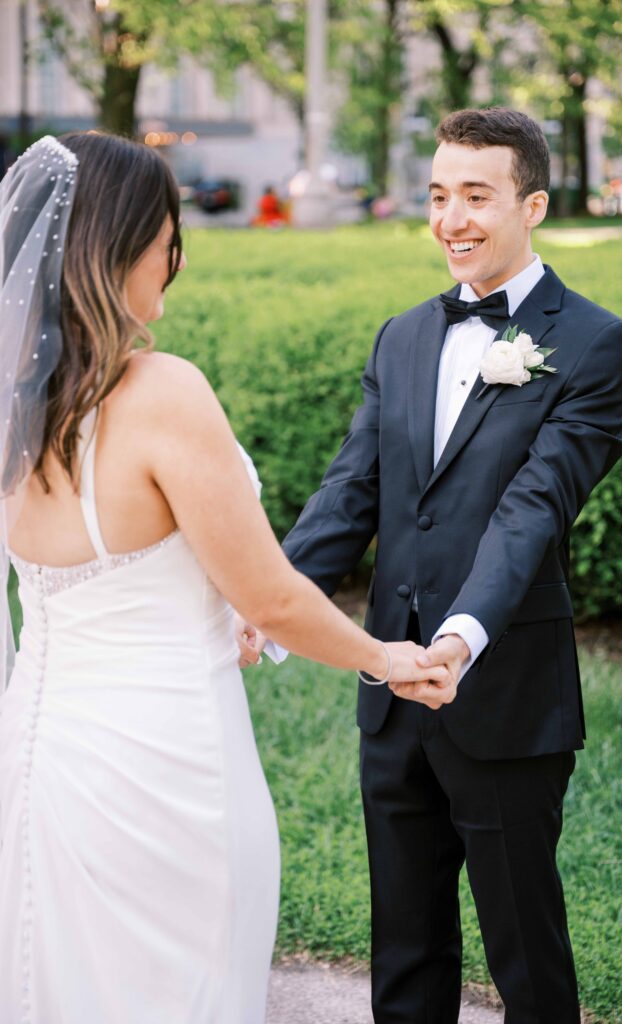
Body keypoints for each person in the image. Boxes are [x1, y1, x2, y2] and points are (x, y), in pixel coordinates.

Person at [0, 132, 447, 1024]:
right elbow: (270, 595)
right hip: (165, 767)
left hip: (39, 762)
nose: (178, 256)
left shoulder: (16, 408)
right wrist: (389, 659)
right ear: (122, 241)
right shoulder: (161, 392)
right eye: (170, 234)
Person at [238, 107, 622, 1023]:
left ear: (531, 204)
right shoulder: (402, 336)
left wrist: (459, 641)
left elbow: (531, 512)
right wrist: (269, 603)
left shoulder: (594, 343)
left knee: (525, 953)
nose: (450, 219)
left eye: (475, 197)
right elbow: (351, 491)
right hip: (389, 691)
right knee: (405, 950)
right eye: (436, 196)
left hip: (499, 695)